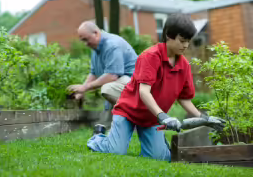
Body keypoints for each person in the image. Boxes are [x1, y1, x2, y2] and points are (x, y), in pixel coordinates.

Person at [86, 13, 226, 161]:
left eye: (188, 41)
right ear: (168, 36)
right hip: (128, 112)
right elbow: (144, 92)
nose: (185, 45)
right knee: (115, 152)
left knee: (159, 158)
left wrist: (204, 118)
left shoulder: (183, 65)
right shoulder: (150, 56)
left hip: (152, 118)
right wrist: (163, 116)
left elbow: (184, 99)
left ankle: (159, 144)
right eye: (182, 41)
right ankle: (98, 138)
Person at [67, 21, 138, 127]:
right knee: (106, 122)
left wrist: (85, 87)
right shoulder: (95, 48)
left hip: (136, 84)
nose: (85, 44)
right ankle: (118, 125)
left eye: (86, 39)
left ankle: (136, 118)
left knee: (108, 88)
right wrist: (82, 90)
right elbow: (93, 73)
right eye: (83, 41)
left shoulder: (111, 45)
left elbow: (112, 76)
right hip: (121, 83)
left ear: (96, 33)